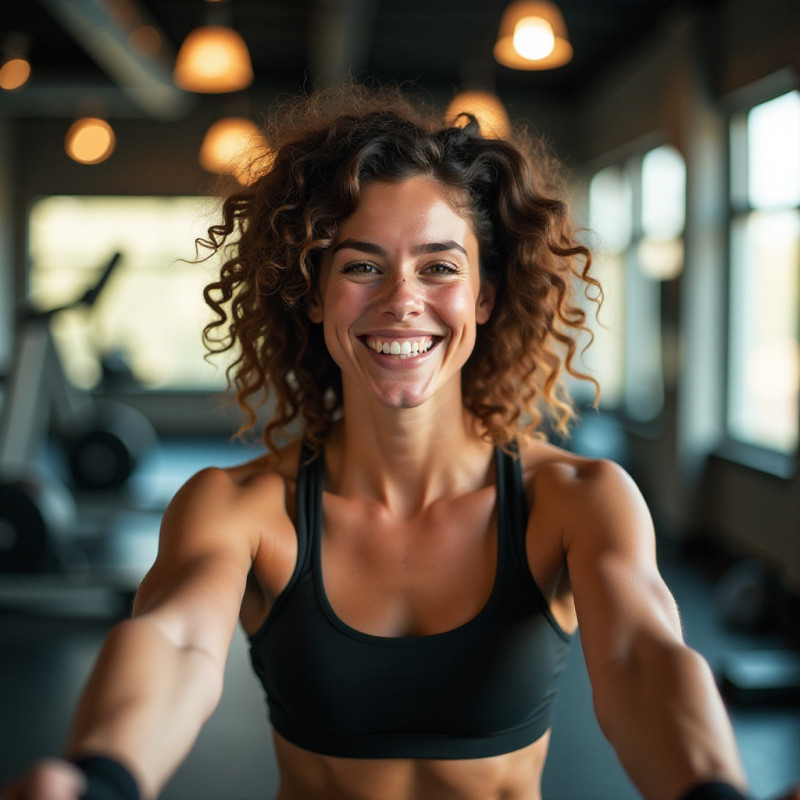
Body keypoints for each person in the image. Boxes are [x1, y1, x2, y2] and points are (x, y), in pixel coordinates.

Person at [2, 83, 790, 800]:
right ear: (313, 292)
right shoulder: (237, 509)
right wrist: (99, 778)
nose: (401, 300)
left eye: (438, 266)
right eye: (362, 265)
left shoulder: (576, 502)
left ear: (484, 295)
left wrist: (712, 793)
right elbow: (173, 643)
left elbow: (639, 661)